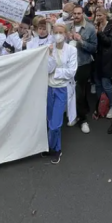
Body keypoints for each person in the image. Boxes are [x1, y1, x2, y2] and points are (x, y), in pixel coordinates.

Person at [45, 24, 78, 164]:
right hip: (48, 88)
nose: (58, 35)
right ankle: (51, 147)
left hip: (62, 89)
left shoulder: (71, 50)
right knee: (50, 119)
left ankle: (56, 148)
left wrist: (56, 72)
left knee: (55, 124)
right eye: (56, 32)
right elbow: (47, 69)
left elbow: (71, 72)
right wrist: (51, 55)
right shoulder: (48, 48)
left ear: (65, 34)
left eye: (61, 32)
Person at [66, 5, 97, 134]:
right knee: (72, 91)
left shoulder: (90, 28)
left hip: (83, 64)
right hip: (69, 64)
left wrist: (81, 41)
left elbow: (94, 48)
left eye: (79, 13)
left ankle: (82, 120)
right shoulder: (67, 26)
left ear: (83, 14)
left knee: (79, 91)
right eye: (75, 13)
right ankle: (74, 113)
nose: (77, 16)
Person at [93, 8, 112, 120]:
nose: (98, 17)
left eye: (100, 15)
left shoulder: (111, 27)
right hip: (97, 59)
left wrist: (100, 33)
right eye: (96, 15)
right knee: (98, 84)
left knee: (106, 84)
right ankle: (101, 105)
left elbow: (109, 42)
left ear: (105, 15)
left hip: (107, 60)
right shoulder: (95, 26)